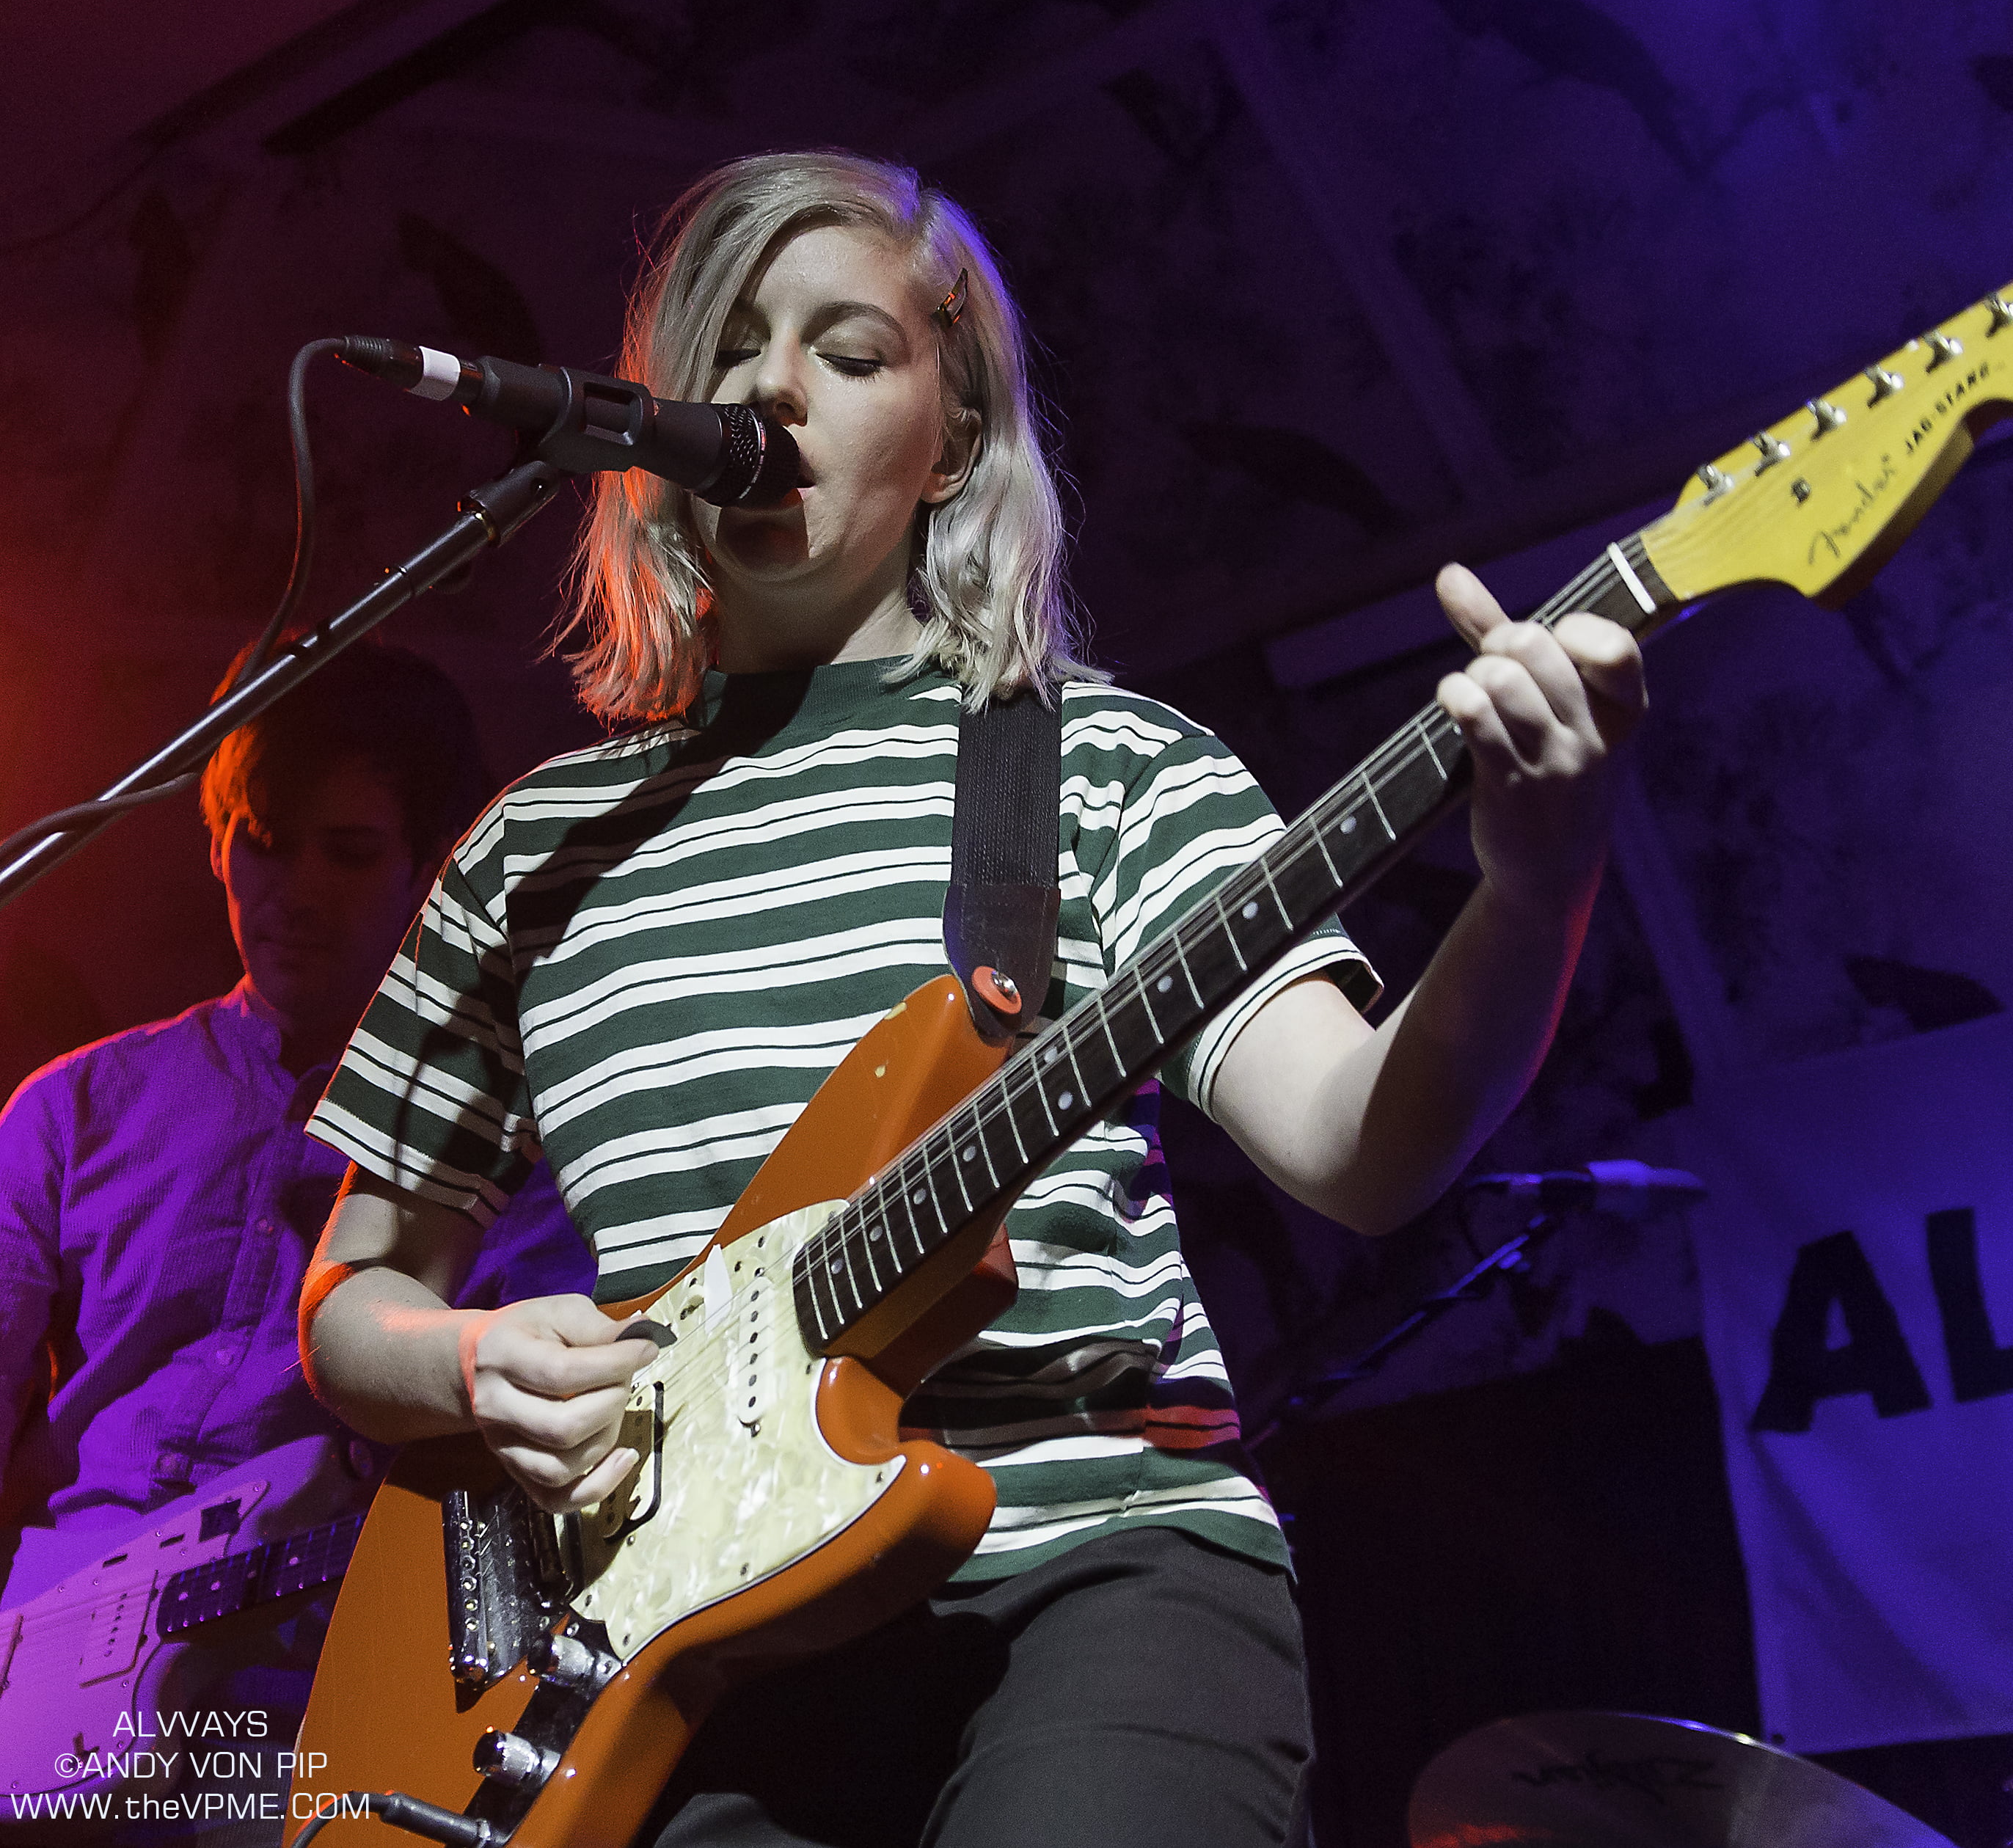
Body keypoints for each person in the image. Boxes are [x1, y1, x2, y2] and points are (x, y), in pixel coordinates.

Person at [296, 150, 1645, 1848]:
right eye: (730, 347)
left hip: (1091, 1560)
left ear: (956, 441)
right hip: (671, 1640)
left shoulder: (1105, 766)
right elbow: (355, 1298)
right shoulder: (531, 850)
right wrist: (470, 1357)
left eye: (850, 355)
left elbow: (1357, 1144)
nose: (772, 388)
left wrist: (1538, 881)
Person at [0, 640, 591, 1839]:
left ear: (432, 866)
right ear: (215, 834)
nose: (297, 889)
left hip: (302, 1683)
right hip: (45, 1653)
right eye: (265, 840)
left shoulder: (502, 1145)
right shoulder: (69, 1108)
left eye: (351, 851)